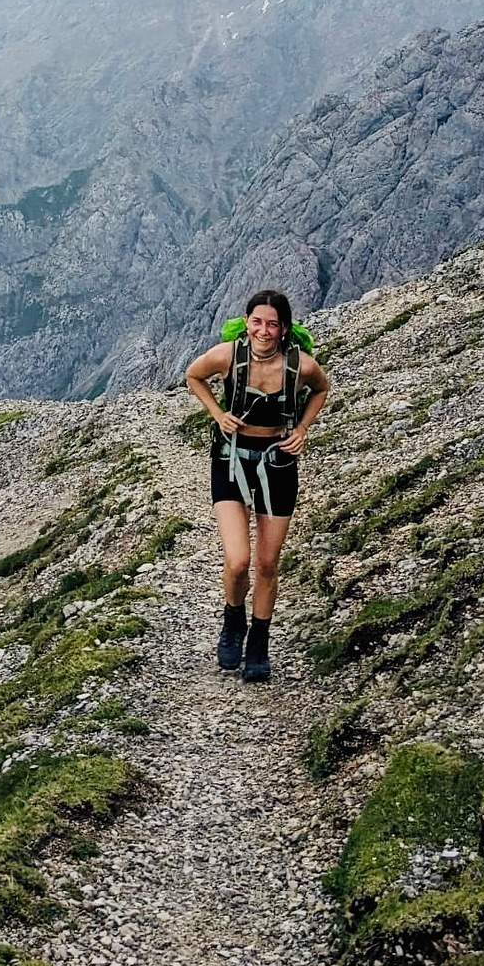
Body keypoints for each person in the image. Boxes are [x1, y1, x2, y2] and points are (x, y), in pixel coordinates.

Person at [185, 289, 329, 683]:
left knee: (267, 563)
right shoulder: (228, 356)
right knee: (237, 561)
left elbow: (322, 389)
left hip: (279, 463)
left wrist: (302, 428)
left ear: (284, 328)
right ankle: (234, 619)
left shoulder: (301, 365)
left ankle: (259, 643)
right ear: (246, 322)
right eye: (257, 322)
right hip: (230, 460)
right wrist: (218, 414)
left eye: (272, 324)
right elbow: (194, 375)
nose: (263, 331)